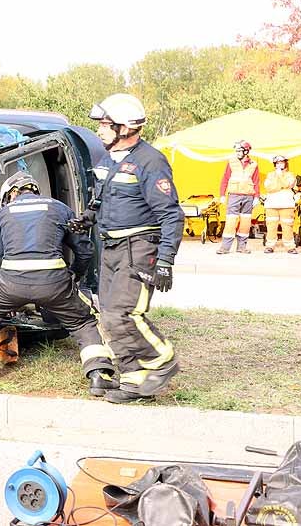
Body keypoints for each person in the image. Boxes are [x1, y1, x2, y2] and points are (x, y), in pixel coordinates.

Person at [0, 171, 118, 396]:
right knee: (83, 319)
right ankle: (99, 373)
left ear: (12, 193)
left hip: (11, 283)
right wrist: (74, 276)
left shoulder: (3, 214)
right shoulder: (59, 208)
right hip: (55, 284)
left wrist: (6, 294)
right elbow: (85, 250)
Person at [78, 93, 183, 404]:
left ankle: (163, 360)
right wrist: (88, 218)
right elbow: (105, 197)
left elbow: (171, 213)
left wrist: (165, 260)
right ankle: (136, 382)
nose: (99, 130)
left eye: (104, 125)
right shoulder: (109, 160)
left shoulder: (151, 161)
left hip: (138, 248)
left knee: (125, 313)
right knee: (108, 315)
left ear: (123, 128)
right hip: (110, 247)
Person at [217, 140, 260, 254]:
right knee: (231, 221)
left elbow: (256, 181)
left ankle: (242, 247)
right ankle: (225, 248)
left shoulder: (254, 164)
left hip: (248, 196)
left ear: (246, 151)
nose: (237, 153)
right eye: (236, 151)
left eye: (239, 151)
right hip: (234, 195)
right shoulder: (231, 162)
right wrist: (222, 194)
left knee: (245, 222)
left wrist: (257, 197)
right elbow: (225, 178)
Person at [264, 155, 298, 254]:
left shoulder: (291, 174)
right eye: (277, 163)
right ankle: (270, 246)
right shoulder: (270, 175)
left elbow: (288, 184)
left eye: (281, 162)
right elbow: (268, 187)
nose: (279, 165)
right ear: (275, 164)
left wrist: (279, 177)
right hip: (271, 204)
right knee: (271, 226)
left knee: (287, 226)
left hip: (286, 204)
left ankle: (290, 246)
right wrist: (281, 186)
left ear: (285, 163)